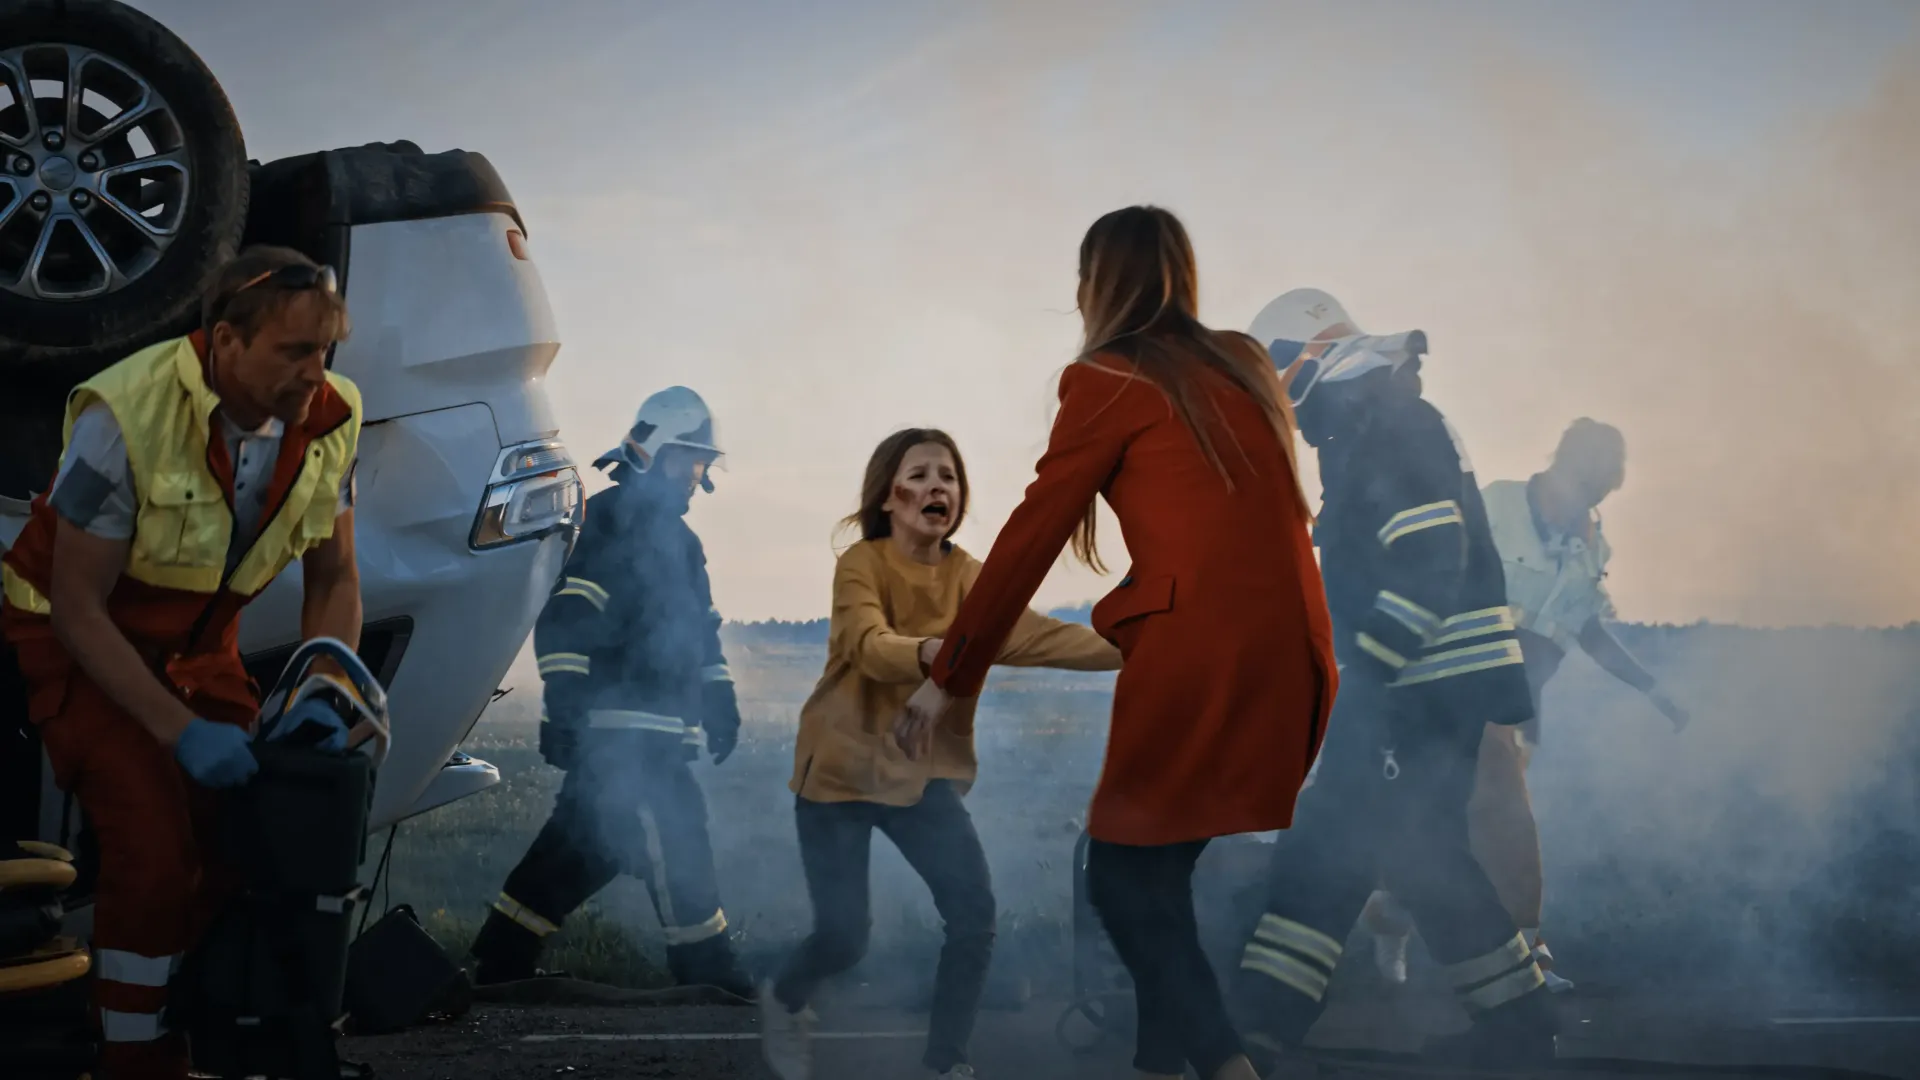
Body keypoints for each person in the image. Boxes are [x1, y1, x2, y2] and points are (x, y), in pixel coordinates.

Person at [892, 206, 1336, 1080]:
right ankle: (1159, 1068)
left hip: (1205, 659)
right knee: (1159, 877)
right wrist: (1132, 607)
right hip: (1296, 656)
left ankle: (1225, 1069)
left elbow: (1032, 534)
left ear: (1098, 283)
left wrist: (950, 673)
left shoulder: (1110, 378)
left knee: (1124, 884)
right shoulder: (1245, 363)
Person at [1, 246, 364, 1080]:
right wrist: (179, 734)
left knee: (248, 839)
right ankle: (136, 1064)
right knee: (155, 852)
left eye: (325, 350)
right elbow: (78, 609)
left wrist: (324, 681)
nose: (317, 375)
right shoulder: (123, 418)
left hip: (199, 648)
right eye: (294, 353)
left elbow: (337, 574)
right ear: (226, 340)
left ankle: (208, 1037)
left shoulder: (331, 419)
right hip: (75, 639)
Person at [1231, 287, 1557, 1070]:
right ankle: (1517, 1019)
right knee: (1414, 852)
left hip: (1416, 686)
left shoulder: (1381, 424)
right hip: (1434, 683)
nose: (1272, 399)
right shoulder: (1377, 414)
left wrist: (1369, 674)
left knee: (1334, 842)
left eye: (1270, 376)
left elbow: (1429, 557)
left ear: (1302, 361)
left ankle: (1260, 1026)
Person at [759, 427, 1121, 1080]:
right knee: (845, 938)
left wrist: (1145, 647)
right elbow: (868, 644)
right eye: (920, 475)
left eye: (948, 477)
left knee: (974, 914)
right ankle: (785, 1000)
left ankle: (946, 1065)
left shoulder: (969, 577)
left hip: (919, 773)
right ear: (890, 497)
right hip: (838, 770)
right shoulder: (860, 565)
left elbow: (1039, 637)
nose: (937, 488)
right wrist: (938, 653)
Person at [1363, 417, 1690, 993]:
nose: (1590, 496)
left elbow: (1588, 629)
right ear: (1563, 462)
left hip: (1522, 706)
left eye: (1602, 487)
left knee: (1451, 829)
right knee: (1503, 813)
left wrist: (1653, 690)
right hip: (1459, 685)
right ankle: (1528, 952)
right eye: (1586, 480)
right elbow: (1431, 570)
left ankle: (1392, 916)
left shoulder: (1595, 545)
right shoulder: (1497, 505)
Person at [468, 386, 752, 998]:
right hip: (620, 729)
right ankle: (707, 969)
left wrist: (719, 700)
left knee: (582, 846)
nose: (695, 478)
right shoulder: (609, 520)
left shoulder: (683, 544)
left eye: (701, 464)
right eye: (687, 461)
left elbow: (701, 634)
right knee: (675, 835)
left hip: (659, 732)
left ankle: (498, 957)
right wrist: (565, 705)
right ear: (648, 452)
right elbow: (570, 615)